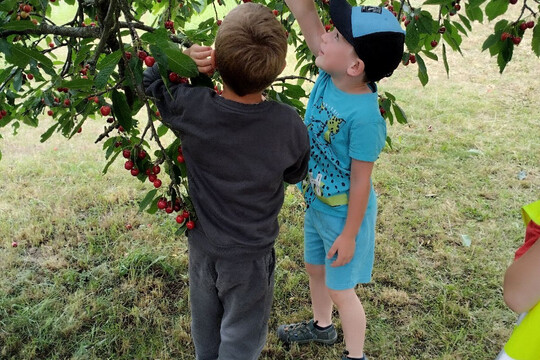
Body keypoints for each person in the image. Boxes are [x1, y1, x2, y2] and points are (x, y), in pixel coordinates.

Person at [143, 3, 310, 360]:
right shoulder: (288, 124)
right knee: (243, 334)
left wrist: (181, 59)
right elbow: (295, 173)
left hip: (203, 246)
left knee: (206, 326)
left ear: (215, 60)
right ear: (278, 68)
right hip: (250, 256)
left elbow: (151, 81)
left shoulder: (192, 108)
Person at [276, 1, 405, 359]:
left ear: (355, 65)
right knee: (314, 269)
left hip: (344, 216)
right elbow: (306, 16)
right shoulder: (332, 74)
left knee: (341, 290)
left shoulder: (365, 118)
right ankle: (322, 328)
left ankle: (356, 355)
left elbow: (362, 182)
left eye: (334, 35)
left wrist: (349, 235)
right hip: (317, 204)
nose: (324, 39)